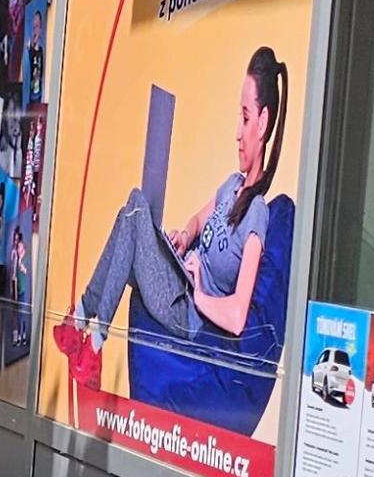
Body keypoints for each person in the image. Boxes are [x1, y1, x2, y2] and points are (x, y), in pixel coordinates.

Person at [54, 46, 287, 386]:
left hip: (185, 309)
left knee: (135, 203)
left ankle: (92, 341)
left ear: (263, 123)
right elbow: (198, 220)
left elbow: (237, 316)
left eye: (246, 117)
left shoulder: (257, 213)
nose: (237, 131)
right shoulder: (231, 185)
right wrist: (185, 237)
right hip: (178, 279)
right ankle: (80, 326)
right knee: (128, 216)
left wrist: (200, 293)